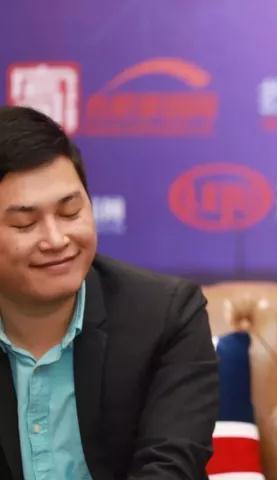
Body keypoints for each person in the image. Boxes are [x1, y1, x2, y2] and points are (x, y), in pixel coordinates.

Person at [0, 106, 218, 480]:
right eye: (25, 223)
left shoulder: (166, 317)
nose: (56, 239)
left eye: (70, 212)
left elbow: (169, 468)